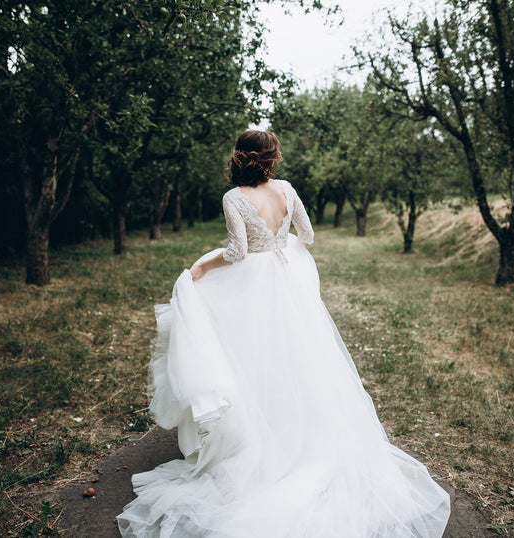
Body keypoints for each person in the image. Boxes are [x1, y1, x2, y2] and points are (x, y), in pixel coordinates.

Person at [116, 130, 450, 537]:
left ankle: (260, 439)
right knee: (300, 358)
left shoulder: (234, 197)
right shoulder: (288, 190)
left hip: (252, 287)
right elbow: (306, 237)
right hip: (286, 281)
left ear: (240, 157)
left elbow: (238, 252)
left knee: (252, 358)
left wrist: (203, 267)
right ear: (272, 158)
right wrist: (280, 243)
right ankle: (304, 437)